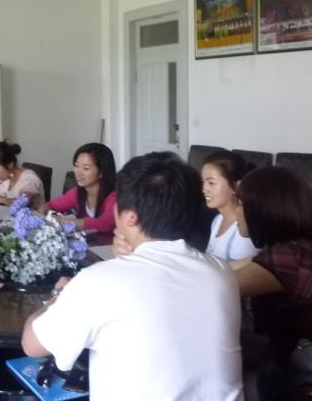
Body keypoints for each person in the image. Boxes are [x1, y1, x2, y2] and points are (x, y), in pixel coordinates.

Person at [22, 152, 243, 400]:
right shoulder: (221, 272)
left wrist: (60, 294)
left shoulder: (98, 283)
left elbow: (32, 345)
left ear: (130, 216)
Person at [231, 167, 312, 398]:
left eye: (239, 203)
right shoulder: (295, 249)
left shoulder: (288, 259)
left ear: (263, 210)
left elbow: (217, 287)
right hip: (310, 347)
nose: (234, 210)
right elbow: (228, 266)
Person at [38, 143, 117, 235]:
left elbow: (105, 224)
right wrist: (43, 209)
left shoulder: (114, 197)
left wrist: (63, 221)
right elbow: (52, 205)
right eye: (76, 166)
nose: (78, 172)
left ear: (102, 172)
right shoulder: (77, 192)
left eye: (86, 168)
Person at [202, 150, 258, 260]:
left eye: (211, 183)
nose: (204, 189)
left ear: (236, 186)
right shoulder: (217, 220)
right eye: (203, 182)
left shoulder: (244, 232)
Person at [0, 141, 45, 208]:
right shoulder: (6, 178)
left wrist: (1, 199)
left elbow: (21, 203)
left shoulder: (29, 179)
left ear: (9, 164)